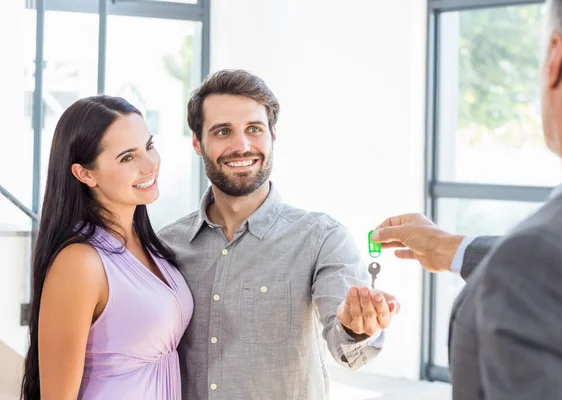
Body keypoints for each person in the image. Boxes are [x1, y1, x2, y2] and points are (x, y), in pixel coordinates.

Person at [371, 0, 562, 398]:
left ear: (555, 59)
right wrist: (454, 249)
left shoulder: (542, 255)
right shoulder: (553, 250)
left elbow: (552, 264)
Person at [158, 69, 399, 400]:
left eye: (254, 129)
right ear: (198, 143)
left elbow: (349, 351)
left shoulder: (322, 238)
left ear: (273, 135)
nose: (241, 146)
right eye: (223, 131)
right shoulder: (166, 245)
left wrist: (356, 328)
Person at [21, 96, 193, 399]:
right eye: (127, 157)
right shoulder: (80, 262)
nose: (150, 164)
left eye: (149, 145)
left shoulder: (150, 247)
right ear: (84, 173)